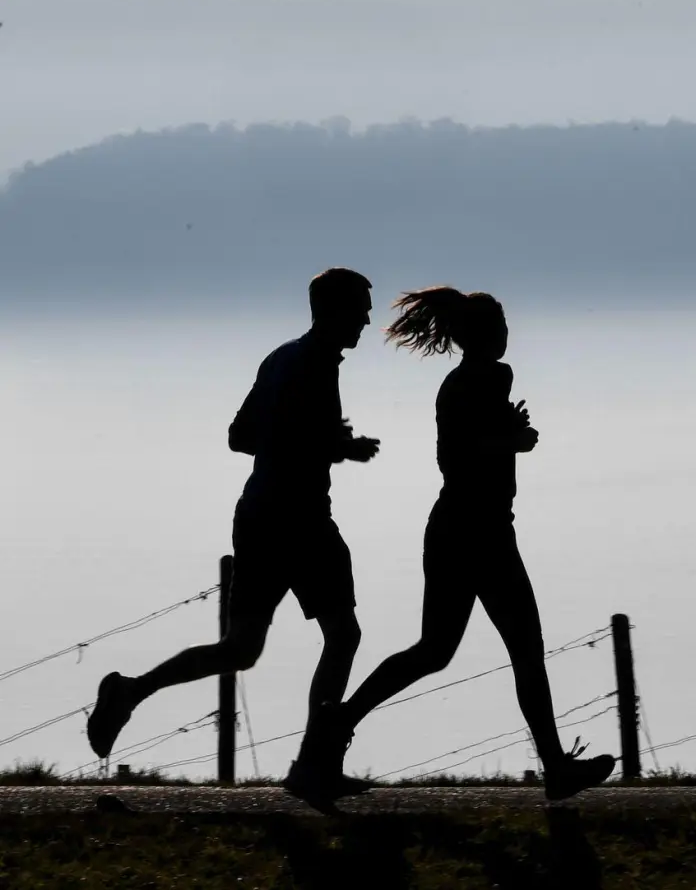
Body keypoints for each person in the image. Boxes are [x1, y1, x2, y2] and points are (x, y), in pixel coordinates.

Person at [86, 267, 381, 807]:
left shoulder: (282, 358)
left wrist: (320, 442)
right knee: (343, 635)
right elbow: (277, 441)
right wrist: (335, 446)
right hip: (300, 520)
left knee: (241, 650)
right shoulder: (310, 365)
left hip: (260, 516)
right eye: (361, 307)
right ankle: (314, 765)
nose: (367, 317)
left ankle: (131, 691)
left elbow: (239, 436)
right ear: (333, 310)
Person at [316, 286, 614, 801]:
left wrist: (507, 434)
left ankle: (341, 719)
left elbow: (464, 447)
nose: (506, 336)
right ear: (483, 335)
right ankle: (556, 770)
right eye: (500, 328)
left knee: (437, 650)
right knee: (520, 648)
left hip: (458, 528)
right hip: (480, 532)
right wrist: (512, 439)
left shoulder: (460, 384)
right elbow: (464, 454)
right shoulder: (488, 378)